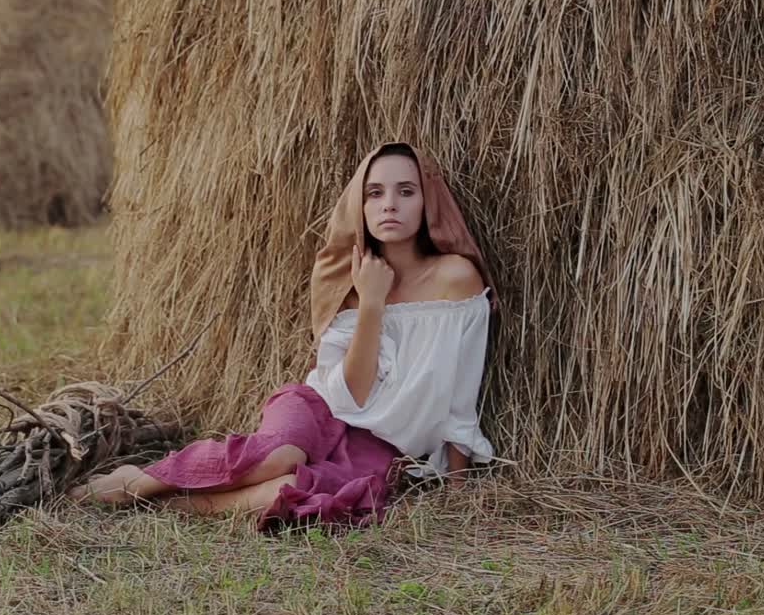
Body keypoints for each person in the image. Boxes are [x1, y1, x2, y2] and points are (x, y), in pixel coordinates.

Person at [70, 142, 497, 529]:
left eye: (406, 191)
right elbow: (350, 395)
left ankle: (177, 502)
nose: (390, 205)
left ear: (428, 202)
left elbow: (459, 390)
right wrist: (371, 302)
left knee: (299, 493)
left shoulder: (456, 279)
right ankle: (140, 481)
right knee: (279, 457)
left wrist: (456, 486)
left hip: (376, 445)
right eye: (375, 193)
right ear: (360, 208)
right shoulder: (344, 281)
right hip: (319, 409)